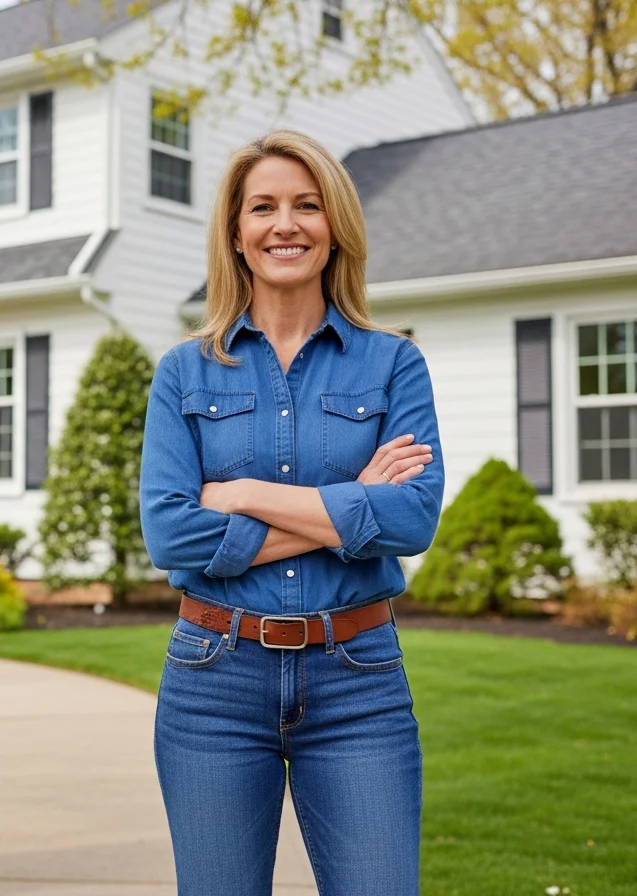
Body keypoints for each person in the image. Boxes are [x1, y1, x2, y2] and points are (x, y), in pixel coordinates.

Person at [139, 128, 445, 896]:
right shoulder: (183, 372)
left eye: (307, 206)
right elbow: (170, 533)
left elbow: (411, 520)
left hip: (359, 684)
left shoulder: (394, 362)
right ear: (237, 235)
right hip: (212, 682)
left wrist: (239, 497)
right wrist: (346, 510)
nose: (286, 224)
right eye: (264, 207)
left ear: (334, 226)